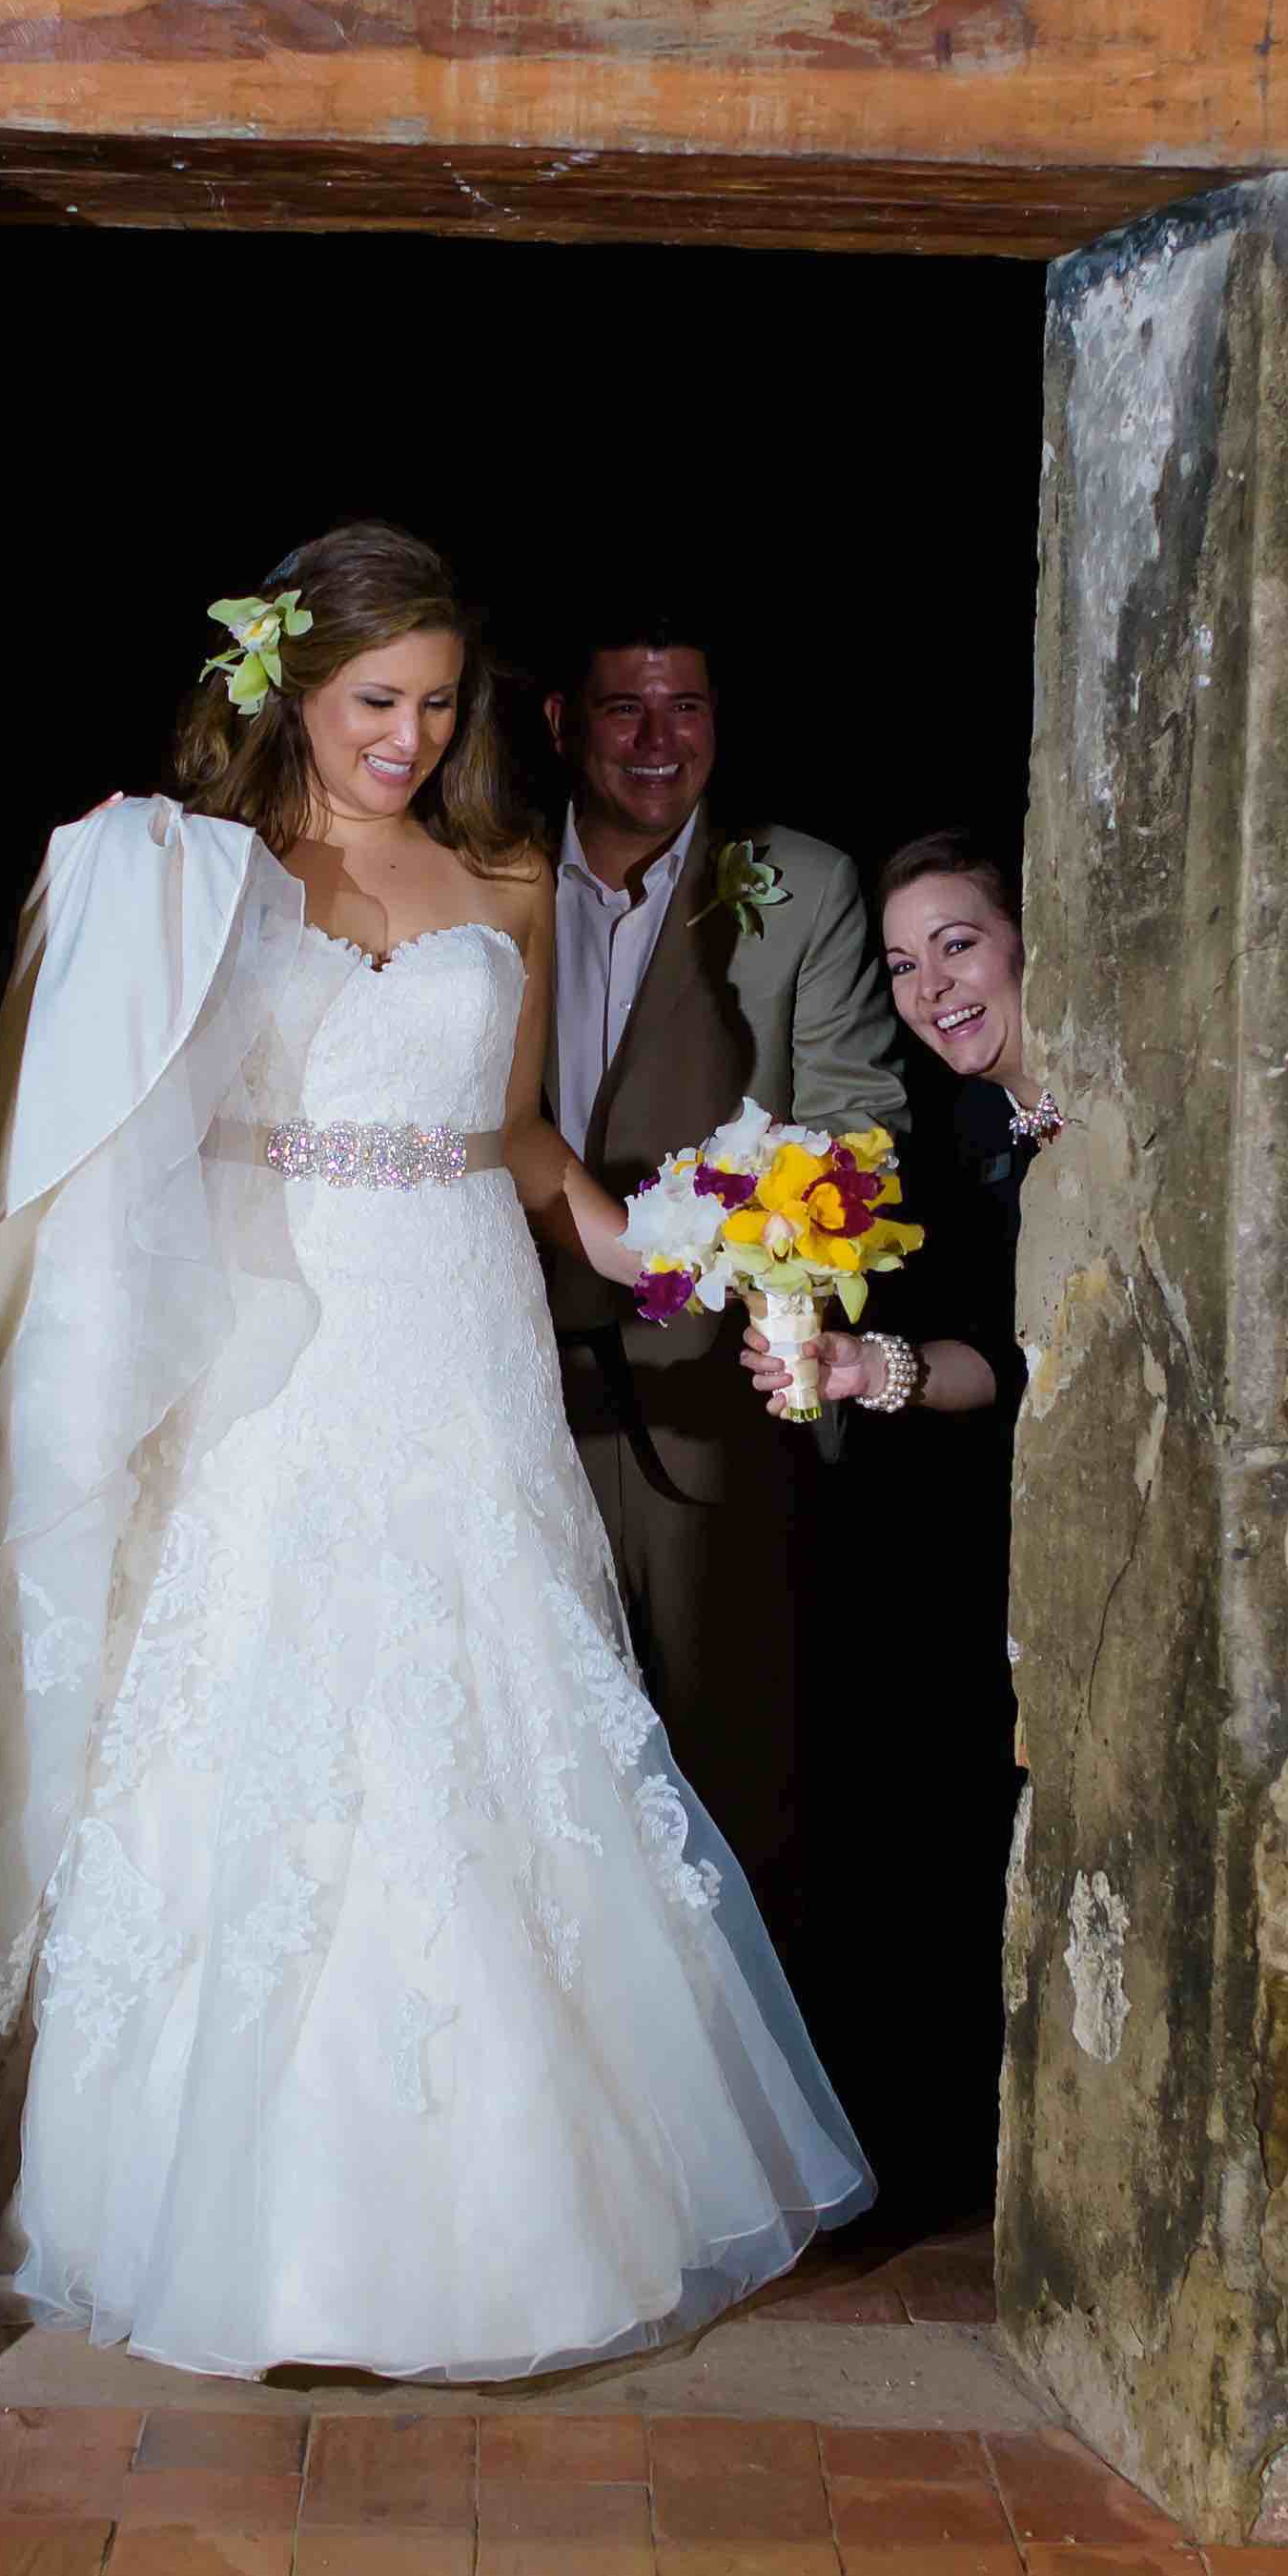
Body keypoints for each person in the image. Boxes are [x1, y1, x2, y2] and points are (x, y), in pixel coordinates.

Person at [0, 524, 870, 2381]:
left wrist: (653, 1239)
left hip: (453, 1324)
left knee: (481, 1711)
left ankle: (525, 2222)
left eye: (438, 705)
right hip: (270, 1333)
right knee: (263, 1706)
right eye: (377, 701)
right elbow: (115, 1113)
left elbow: (513, 1133)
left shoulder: (503, 873)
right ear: (289, 687)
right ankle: (225, 2222)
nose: (409, 740)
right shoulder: (194, 872)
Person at [531, 615, 902, 1906]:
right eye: (624, 707)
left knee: (728, 1804)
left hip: (712, 1397)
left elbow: (861, 1127)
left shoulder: (802, 881)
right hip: (506, 1380)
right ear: (562, 723)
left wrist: (780, 1269)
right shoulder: (491, 868)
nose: (657, 739)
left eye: (684, 707)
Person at [781, 835, 1056, 2226]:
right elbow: (994, 1362)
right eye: (901, 964)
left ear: (1026, 937)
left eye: (957, 944)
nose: (932, 986)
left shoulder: (1105, 1106)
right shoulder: (957, 1133)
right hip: (989, 1516)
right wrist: (860, 1368)